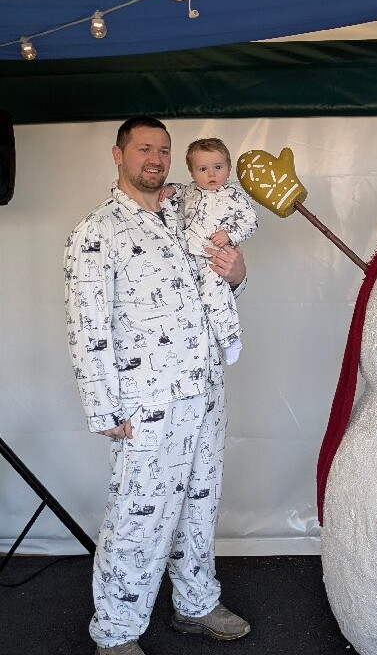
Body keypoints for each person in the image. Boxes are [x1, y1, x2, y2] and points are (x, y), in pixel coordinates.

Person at [64, 117, 251, 655]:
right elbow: (87, 325)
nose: (156, 158)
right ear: (117, 154)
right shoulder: (95, 233)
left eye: (164, 150)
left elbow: (220, 289)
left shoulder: (186, 212)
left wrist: (237, 273)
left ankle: (195, 604)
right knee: (137, 517)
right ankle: (118, 632)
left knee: (200, 503)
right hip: (145, 402)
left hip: (205, 388)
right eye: (144, 148)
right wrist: (103, 408)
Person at [162, 138, 258, 365]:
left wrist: (230, 234)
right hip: (189, 256)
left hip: (215, 258)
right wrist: (171, 189)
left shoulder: (233, 196)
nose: (211, 174)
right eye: (203, 169)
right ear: (192, 172)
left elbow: (251, 221)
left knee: (216, 298)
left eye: (218, 167)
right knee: (192, 300)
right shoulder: (191, 191)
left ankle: (230, 338)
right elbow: (181, 190)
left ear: (229, 168)